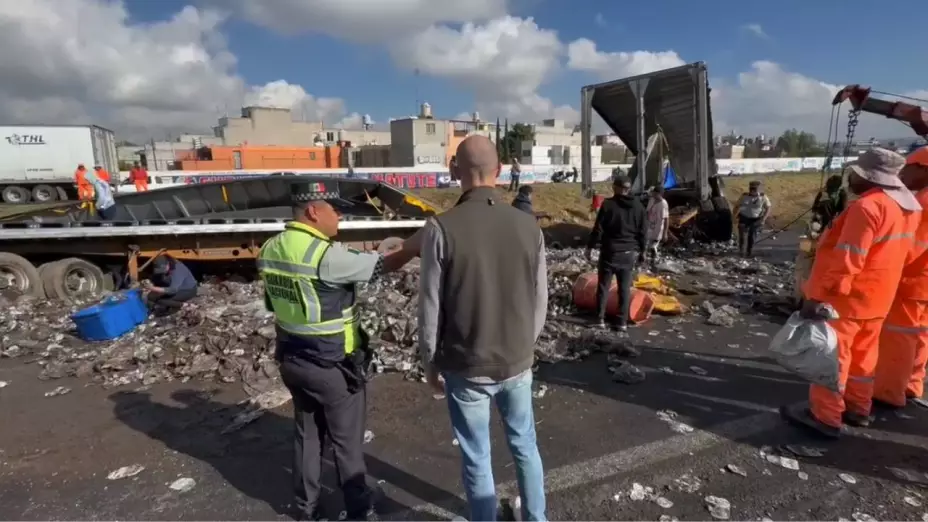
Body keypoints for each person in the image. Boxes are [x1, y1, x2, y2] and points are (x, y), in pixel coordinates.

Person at [258, 180, 422, 521]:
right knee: (346, 443)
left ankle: (306, 508)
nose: (340, 217)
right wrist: (413, 244)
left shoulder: (270, 248)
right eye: (336, 210)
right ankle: (359, 509)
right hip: (332, 365)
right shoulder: (324, 255)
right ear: (313, 211)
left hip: (292, 357)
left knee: (308, 434)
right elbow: (382, 266)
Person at [418, 136, 547, 522]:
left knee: (477, 456)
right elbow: (540, 299)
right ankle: (537, 519)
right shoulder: (528, 226)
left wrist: (429, 360)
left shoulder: (440, 227)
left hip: (466, 366)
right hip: (517, 361)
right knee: (525, 445)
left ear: (454, 171)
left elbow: (430, 305)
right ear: (501, 171)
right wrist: (525, 345)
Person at [782, 148, 922, 438]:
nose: (850, 180)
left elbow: (847, 259)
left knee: (831, 358)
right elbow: (903, 256)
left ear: (869, 177)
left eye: (854, 174)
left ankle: (825, 416)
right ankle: (858, 408)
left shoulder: (867, 209)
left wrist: (817, 296)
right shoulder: (906, 209)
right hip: (879, 298)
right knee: (864, 358)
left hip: (846, 299)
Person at [874, 146, 928, 410]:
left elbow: (912, 248)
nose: (903, 174)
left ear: (923, 169)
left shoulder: (924, 202)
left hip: (913, 281)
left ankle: (888, 391)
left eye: (908, 168)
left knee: (899, 336)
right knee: (919, 335)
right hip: (923, 284)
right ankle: (911, 383)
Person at [585, 174, 647, 331]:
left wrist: (590, 247)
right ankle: (622, 322)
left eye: (614, 186)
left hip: (610, 252)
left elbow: (598, 229)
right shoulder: (639, 206)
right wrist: (643, 251)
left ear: (617, 188)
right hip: (629, 253)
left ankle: (599, 319)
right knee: (624, 288)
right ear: (628, 189)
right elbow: (643, 232)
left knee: (604, 286)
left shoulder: (608, 205)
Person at [735, 181, 772, 257]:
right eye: (751, 188)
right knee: (742, 235)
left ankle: (749, 251)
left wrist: (763, 219)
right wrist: (734, 217)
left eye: (755, 189)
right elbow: (737, 206)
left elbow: (768, 208)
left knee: (752, 235)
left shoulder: (763, 197)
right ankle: (741, 251)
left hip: (756, 219)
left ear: (759, 189)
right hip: (744, 217)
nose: (752, 190)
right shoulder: (744, 196)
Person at [645, 187, 670, 265]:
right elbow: (647, 212)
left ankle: (654, 261)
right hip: (649, 226)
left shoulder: (663, 203)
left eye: (656, 193)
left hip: (658, 228)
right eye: (654, 193)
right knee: (646, 244)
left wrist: (665, 233)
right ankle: (648, 260)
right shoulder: (651, 200)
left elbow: (666, 219)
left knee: (653, 246)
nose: (654, 195)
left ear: (660, 194)